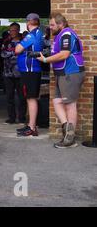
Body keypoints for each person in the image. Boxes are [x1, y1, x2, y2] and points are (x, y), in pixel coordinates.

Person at [37, 13, 85, 148]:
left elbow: (64, 54)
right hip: (62, 73)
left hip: (70, 73)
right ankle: (67, 128)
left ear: (61, 24)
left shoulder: (66, 34)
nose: (50, 27)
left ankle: (70, 139)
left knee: (70, 104)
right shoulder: (60, 35)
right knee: (57, 101)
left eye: (52, 25)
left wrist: (46, 60)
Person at [15, 13, 44, 137]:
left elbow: (17, 49)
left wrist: (19, 44)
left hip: (30, 70)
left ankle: (32, 127)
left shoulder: (32, 35)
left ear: (29, 22)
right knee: (29, 98)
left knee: (31, 98)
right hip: (32, 70)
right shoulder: (39, 33)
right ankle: (30, 125)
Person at [1, 23, 27, 124]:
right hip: (8, 73)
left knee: (22, 97)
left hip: (20, 73)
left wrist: (11, 53)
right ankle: (11, 118)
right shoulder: (6, 41)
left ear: (18, 30)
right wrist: (15, 52)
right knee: (9, 97)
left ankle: (22, 118)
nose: (11, 32)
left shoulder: (23, 41)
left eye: (13, 30)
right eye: (10, 30)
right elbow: (3, 54)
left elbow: (25, 54)